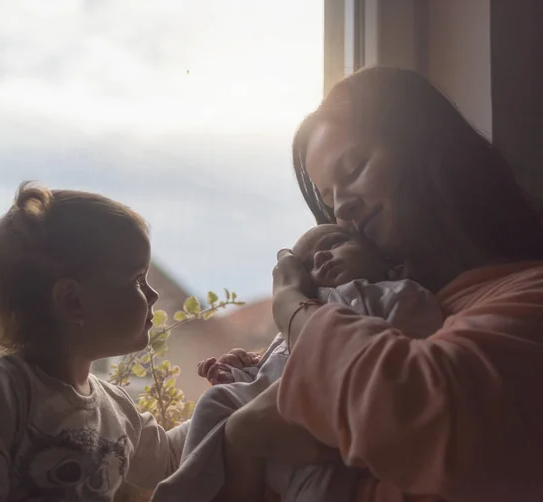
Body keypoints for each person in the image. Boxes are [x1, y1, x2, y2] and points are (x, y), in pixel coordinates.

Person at [221, 66, 543, 502]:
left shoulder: (527, 294)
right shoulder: (402, 309)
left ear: (428, 146)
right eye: (329, 198)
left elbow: (425, 412)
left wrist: (291, 307)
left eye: (353, 170)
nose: (342, 209)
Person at [152, 223, 442, 502]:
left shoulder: (398, 293)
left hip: (329, 429)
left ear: (393, 264)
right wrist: (239, 373)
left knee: (323, 484)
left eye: (334, 242)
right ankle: (184, 491)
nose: (320, 257)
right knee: (216, 398)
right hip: (276, 419)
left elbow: (409, 350)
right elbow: (269, 372)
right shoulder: (297, 316)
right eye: (306, 265)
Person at [0, 183, 189, 501]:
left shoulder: (118, 408)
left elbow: (168, 459)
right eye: (137, 279)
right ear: (72, 301)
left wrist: (240, 391)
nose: (153, 294)